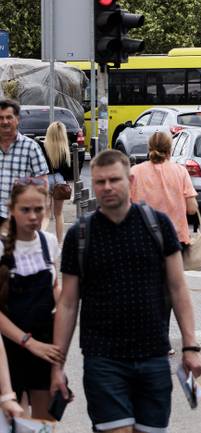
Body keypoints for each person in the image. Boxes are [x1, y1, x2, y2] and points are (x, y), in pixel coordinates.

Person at [51, 149, 201, 433]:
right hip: (103, 359)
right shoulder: (80, 236)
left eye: (114, 180)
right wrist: (57, 365)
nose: (106, 187)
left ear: (129, 181)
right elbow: (68, 304)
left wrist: (190, 346)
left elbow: (178, 288)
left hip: (153, 356)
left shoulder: (158, 226)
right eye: (99, 182)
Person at [0, 179, 64, 419]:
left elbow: (54, 287)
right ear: (12, 210)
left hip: (44, 344)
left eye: (39, 209)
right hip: (9, 347)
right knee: (12, 420)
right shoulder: (2, 247)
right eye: (25, 210)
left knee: (43, 423)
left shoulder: (48, 243)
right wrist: (28, 342)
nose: (33, 216)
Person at [130, 132, 198, 246]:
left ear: (149, 149)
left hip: (143, 238)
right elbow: (192, 209)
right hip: (176, 237)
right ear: (170, 150)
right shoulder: (180, 171)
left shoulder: (134, 172)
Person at [0, 100, 49, 231]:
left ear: (17, 119)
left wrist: (22, 182)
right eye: (1, 118)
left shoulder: (31, 147)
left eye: (9, 117)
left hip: (19, 219)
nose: (4, 122)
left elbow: (43, 184)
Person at [41, 121, 74, 244]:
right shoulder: (64, 148)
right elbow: (68, 171)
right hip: (59, 180)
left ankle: (41, 240)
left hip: (44, 179)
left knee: (45, 214)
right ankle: (59, 244)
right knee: (59, 214)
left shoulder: (42, 146)